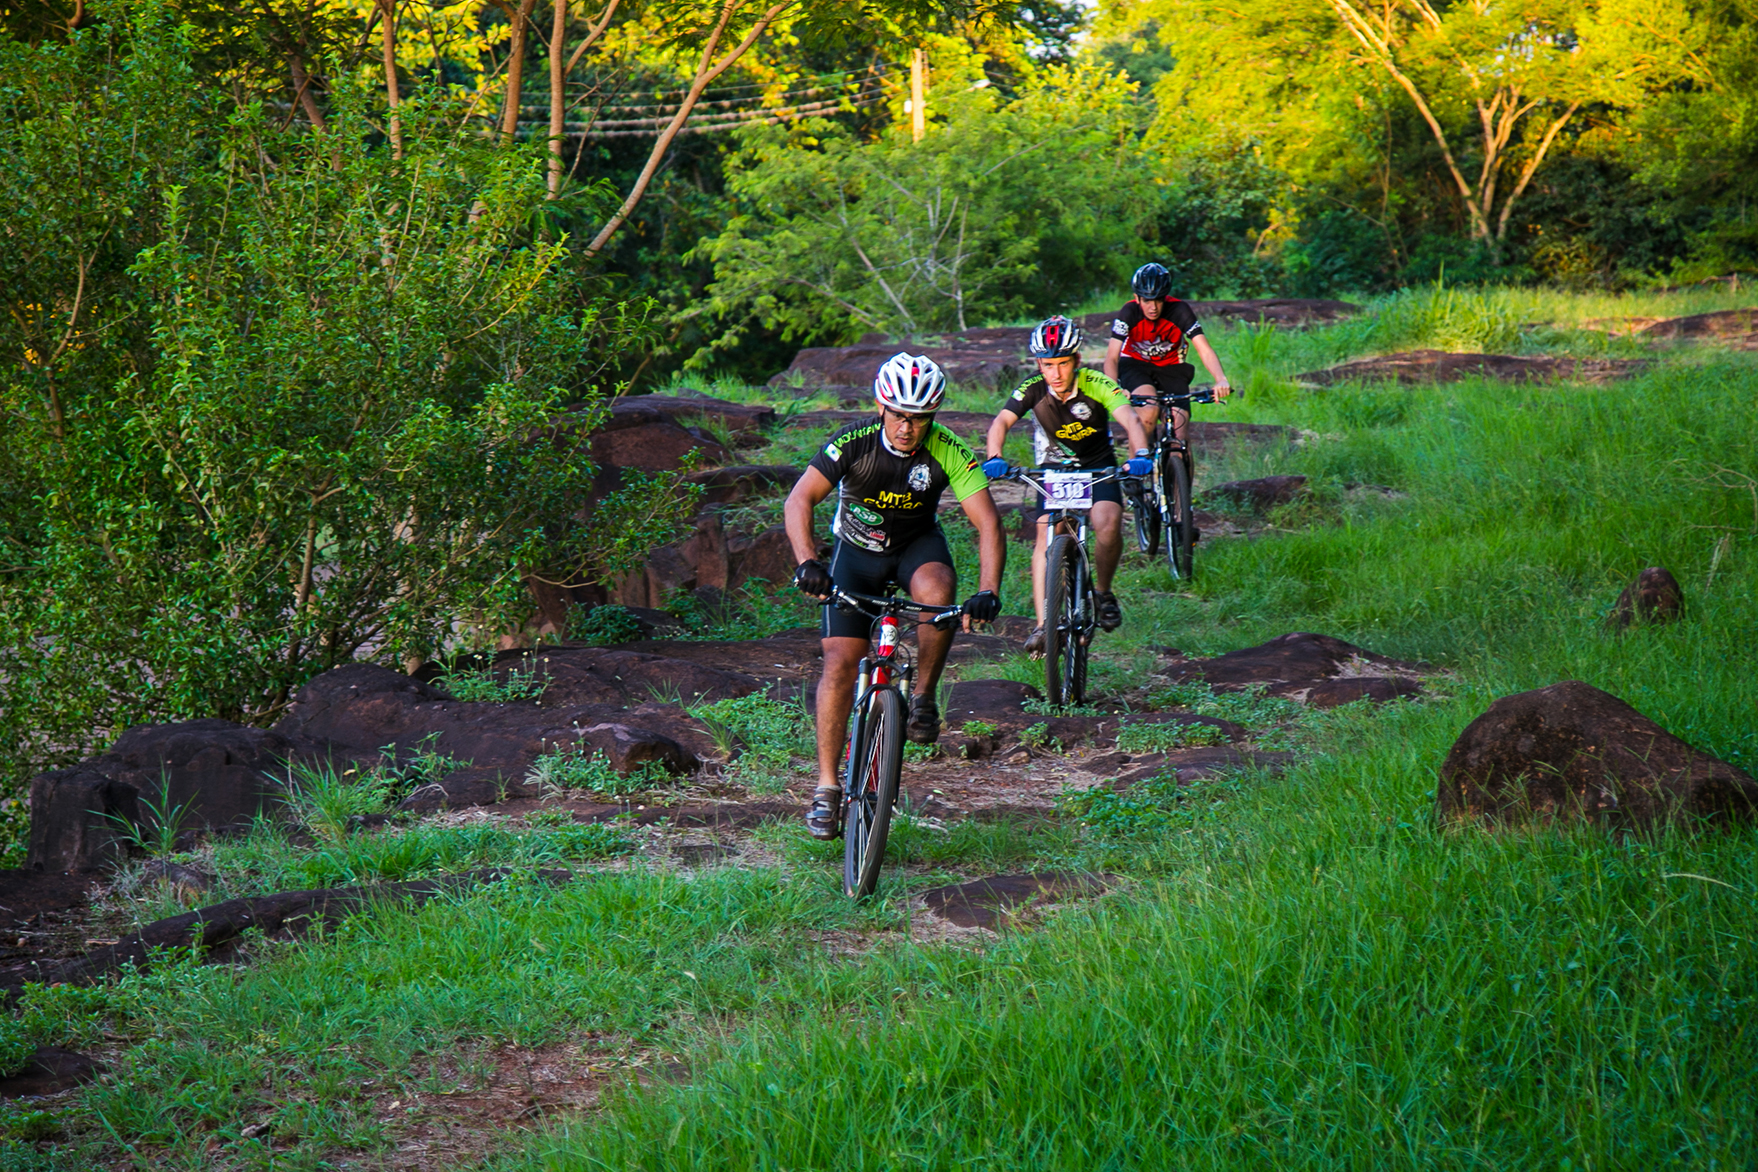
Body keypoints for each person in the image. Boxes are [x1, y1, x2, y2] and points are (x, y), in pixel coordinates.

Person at [785, 352, 1006, 840]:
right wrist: (807, 562)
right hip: (856, 555)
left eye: (921, 419)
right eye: (900, 416)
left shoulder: (948, 449)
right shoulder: (854, 443)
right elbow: (799, 498)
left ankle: (923, 696)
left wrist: (988, 589)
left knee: (938, 591)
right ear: (882, 407)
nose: (908, 428)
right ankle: (826, 788)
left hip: (914, 549)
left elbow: (988, 522)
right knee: (840, 662)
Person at [981, 314, 1151, 654]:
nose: (1055, 373)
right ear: (1038, 364)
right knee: (1047, 532)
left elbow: (1130, 418)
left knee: (1107, 523)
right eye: (1047, 365)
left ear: (1075, 360)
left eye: (1062, 364)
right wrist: (994, 456)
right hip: (1054, 469)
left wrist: (1141, 452)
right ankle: (1044, 625)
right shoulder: (1032, 388)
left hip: (1097, 466)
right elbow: (1001, 421)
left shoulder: (1096, 383)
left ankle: (1102, 591)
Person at [1103, 262, 1233, 448]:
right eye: (1147, 300)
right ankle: (1136, 470)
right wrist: (1113, 387)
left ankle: (1180, 472)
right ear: (1136, 298)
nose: (1153, 307)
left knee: (1180, 434)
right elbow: (1112, 356)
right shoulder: (1129, 312)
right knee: (1148, 413)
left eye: (1158, 300)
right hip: (1135, 364)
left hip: (1171, 367)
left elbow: (1204, 348)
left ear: (1166, 298)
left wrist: (1220, 378)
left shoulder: (1179, 310)